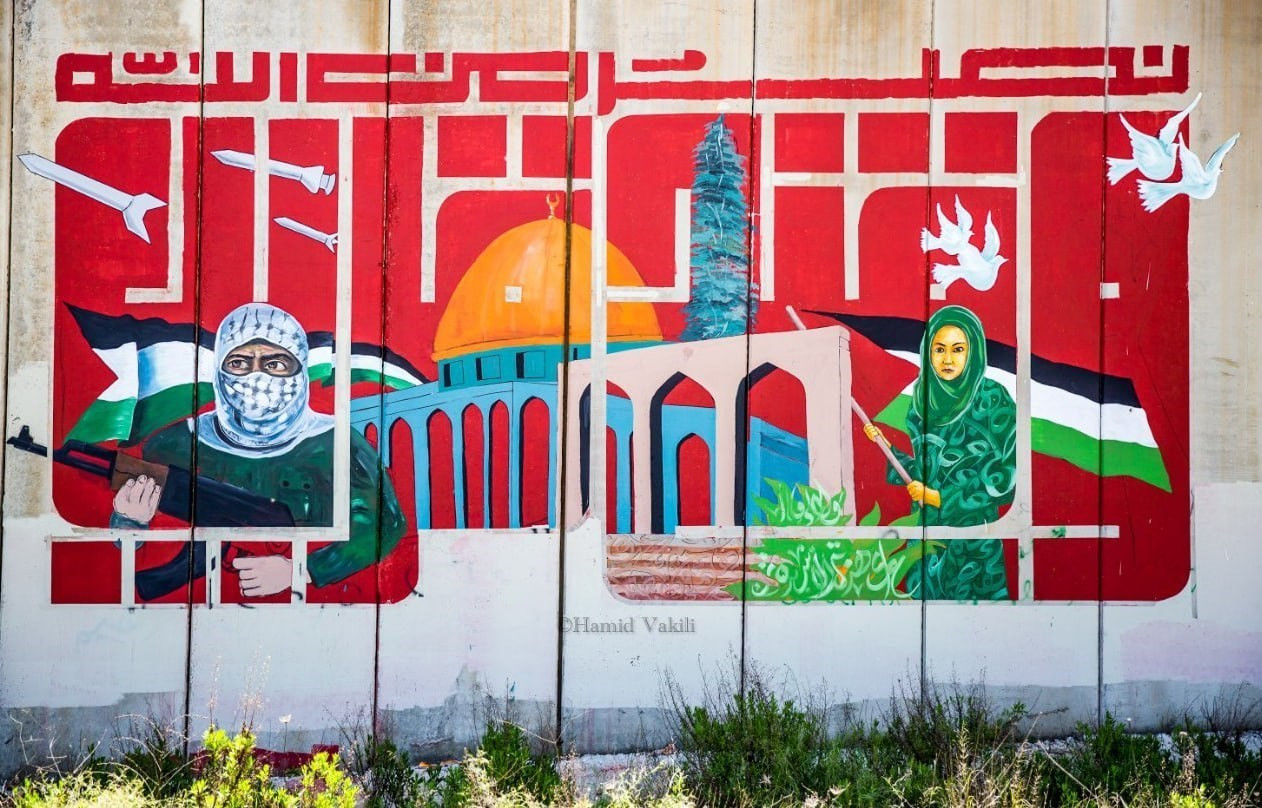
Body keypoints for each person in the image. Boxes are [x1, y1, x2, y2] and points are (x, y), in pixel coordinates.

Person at [112, 302, 406, 598]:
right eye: (239, 363)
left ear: (300, 369)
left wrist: (300, 570)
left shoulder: (337, 442)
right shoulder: (175, 444)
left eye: (275, 364)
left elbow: (385, 524)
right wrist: (130, 521)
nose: (257, 378)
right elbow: (131, 553)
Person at [863, 305, 1015, 600]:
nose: (947, 359)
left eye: (958, 349)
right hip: (925, 541)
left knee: (979, 618)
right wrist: (889, 451)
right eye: (939, 349)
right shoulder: (922, 400)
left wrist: (940, 497)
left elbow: (1007, 478)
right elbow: (925, 472)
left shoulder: (992, 399)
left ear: (973, 352)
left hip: (973, 542)